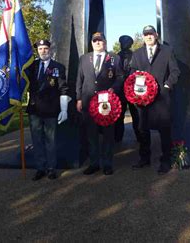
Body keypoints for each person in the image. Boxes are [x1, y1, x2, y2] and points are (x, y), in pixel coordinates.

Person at [130, 25, 180, 174]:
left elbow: (175, 71)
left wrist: (167, 85)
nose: (148, 37)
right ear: (143, 37)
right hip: (143, 99)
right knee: (143, 129)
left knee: (164, 130)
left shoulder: (167, 51)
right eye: (146, 34)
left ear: (156, 35)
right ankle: (144, 158)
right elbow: (132, 73)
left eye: (151, 34)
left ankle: (166, 160)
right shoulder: (137, 54)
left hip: (162, 99)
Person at [76, 32, 124, 175]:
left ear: (105, 42)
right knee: (91, 134)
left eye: (100, 40)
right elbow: (79, 79)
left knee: (108, 135)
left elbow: (120, 77)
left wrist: (113, 88)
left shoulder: (115, 58)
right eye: (95, 40)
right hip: (88, 100)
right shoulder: (84, 59)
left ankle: (107, 164)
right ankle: (94, 163)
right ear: (92, 43)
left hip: (107, 103)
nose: (97, 43)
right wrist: (78, 98)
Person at [26, 39, 69, 181]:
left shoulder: (58, 67)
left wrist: (64, 109)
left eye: (45, 48)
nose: (43, 51)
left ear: (50, 50)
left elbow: (63, 88)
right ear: (37, 51)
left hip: (50, 109)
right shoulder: (31, 66)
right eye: (40, 49)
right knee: (37, 140)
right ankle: (40, 168)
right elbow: (22, 80)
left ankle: (51, 168)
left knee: (51, 140)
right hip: (34, 109)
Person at [115, 35, 140, 142]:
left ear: (130, 44)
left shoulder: (136, 56)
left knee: (136, 115)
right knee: (119, 115)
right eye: (122, 42)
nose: (123, 44)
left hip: (132, 91)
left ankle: (140, 136)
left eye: (126, 42)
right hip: (120, 91)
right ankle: (118, 137)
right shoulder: (116, 57)